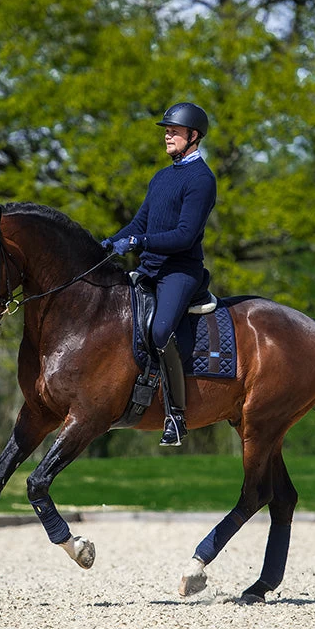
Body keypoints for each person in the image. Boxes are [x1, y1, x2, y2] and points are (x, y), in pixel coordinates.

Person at [102, 102, 217, 446]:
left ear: (193, 136)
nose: (167, 135)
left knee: (161, 328)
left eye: (174, 131)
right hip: (151, 267)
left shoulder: (201, 180)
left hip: (180, 271)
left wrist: (140, 241)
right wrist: (112, 241)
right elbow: (140, 222)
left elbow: (184, 235)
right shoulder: (162, 176)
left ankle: (176, 415)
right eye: (166, 130)